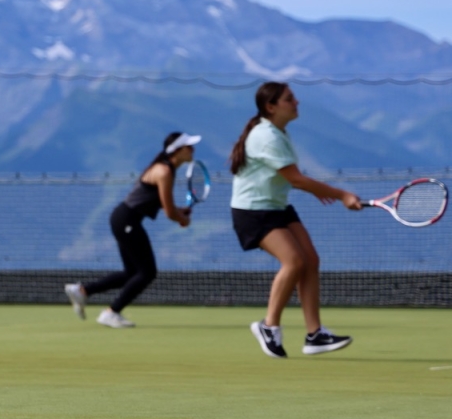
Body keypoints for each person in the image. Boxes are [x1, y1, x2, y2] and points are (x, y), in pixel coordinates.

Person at [229, 82, 361, 359]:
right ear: (271, 107)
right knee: (294, 261)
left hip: (276, 206)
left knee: (310, 260)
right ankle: (268, 327)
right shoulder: (266, 135)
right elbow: (296, 179)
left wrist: (324, 192)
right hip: (253, 211)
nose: (297, 102)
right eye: (290, 99)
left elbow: (291, 178)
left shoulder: (278, 132)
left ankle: (315, 335)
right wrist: (341, 194)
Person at [64, 132, 199, 328]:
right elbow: (169, 212)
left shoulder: (165, 169)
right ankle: (111, 312)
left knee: (132, 273)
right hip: (126, 220)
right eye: (189, 146)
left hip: (123, 219)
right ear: (177, 150)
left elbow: (164, 204)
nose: (192, 149)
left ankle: (83, 291)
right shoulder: (164, 171)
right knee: (147, 272)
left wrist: (180, 212)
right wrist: (182, 219)